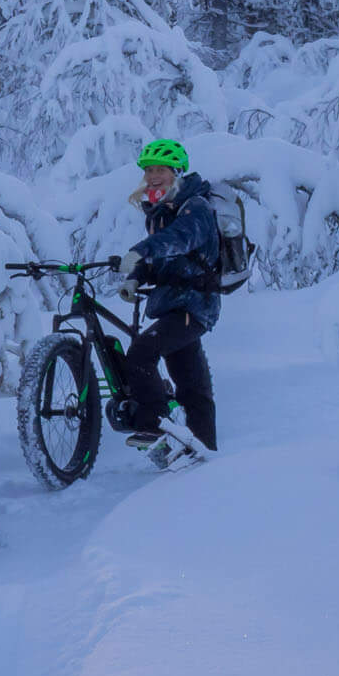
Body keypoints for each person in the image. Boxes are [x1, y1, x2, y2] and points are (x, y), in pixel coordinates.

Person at [115, 137, 220, 464]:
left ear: (177, 171)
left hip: (194, 305)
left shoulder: (195, 206)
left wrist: (141, 250)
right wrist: (136, 275)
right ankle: (205, 454)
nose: (153, 175)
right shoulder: (161, 212)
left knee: (142, 353)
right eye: (148, 170)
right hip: (175, 305)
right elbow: (163, 259)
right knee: (192, 388)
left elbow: (180, 240)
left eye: (160, 169)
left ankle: (155, 425)